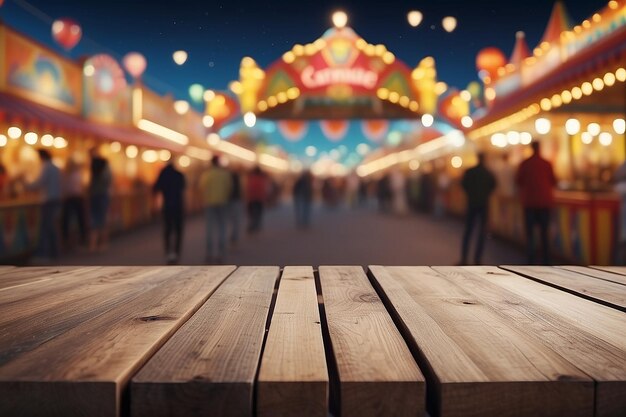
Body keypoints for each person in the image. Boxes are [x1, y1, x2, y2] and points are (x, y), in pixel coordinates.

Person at [516, 141, 557, 265]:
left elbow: (518, 181)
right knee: (544, 233)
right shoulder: (546, 163)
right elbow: (554, 181)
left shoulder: (525, 163)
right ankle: (546, 260)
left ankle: (531, 260)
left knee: (530, 234)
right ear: (540, 148)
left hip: (529, 203)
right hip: (544, 202)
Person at [459, 153, 496, 265]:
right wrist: (485, 194)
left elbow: (463, 184)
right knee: (481, 232)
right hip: (483, 204)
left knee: (468, 231)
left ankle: (464, 258)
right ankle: (477, 258)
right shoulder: (488, 173)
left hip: (471, 203)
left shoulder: (470, 172)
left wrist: (470, 194)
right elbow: (493, 185)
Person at [25, 150, 62, 261]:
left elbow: (40, 182)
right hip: (55, 198)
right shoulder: (55, 167)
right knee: (50, 226)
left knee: (46, 227)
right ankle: (54, 252)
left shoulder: (46, 167)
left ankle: (43, 253)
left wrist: (27, 185)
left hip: (48, 199)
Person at [199, 156, 232, 263]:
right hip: (222, 202)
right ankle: (220, 252)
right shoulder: (224, 174)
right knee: (222, 227)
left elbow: (201, 187)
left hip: (209, 203)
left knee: (210, 228)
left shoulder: (207, 174)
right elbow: (229, 187)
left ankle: (209, 252)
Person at [153, 160, 186, 264]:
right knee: (178, 230)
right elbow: (184, 188)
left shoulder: (163, 174)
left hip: (167, 206)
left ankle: (168, 253)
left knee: (167, 230)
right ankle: (176, 253)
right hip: (179, 206)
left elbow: (155, 189)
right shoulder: (179, 174)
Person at [88, 149, 112, 252]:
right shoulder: (105, 166)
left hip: (94, 195)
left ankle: (93, 244)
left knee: (94, 219)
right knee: (102, 218)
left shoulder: (94, 166)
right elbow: (109, 180)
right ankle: (103, 243)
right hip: (102, 194)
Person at [61, 159, 87, 248]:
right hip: (75, 197)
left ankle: (70, 239)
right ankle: (79, 239)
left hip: (71, 198)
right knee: (76, 220)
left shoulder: (67, 175)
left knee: (70, 220)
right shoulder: (76, 174)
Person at [246, 166, 268, 233]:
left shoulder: (251, 178)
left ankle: (253, 225)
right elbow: (265, 189)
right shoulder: (262, 178)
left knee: (252, 213)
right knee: (258, 213)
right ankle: (257, 225)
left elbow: (248, 188)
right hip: (260, 198)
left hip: (252, 198)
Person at [227, 168, 243, 246]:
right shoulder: (238, 181)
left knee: (228, 220)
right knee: (235, 220)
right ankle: (234, 235)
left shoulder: (228, 179)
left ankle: (230, 235)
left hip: (227, 200)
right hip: (236, 200)